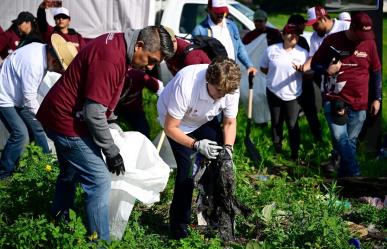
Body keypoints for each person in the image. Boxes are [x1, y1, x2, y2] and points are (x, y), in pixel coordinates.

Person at [36, 26, 174, 241]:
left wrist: (110, 123)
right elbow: (93, 113)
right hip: (66, 121)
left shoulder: (120, 44)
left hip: (63, 114)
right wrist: (111, 151)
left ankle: (59, 220)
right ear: (139, 45)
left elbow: (97, 102)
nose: (149, 67)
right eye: (151, 60)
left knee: (70, 173)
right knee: (99, 181)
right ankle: (101, 242)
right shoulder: (111, 58)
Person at [157, 58, 240, 239]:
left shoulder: (228, 88)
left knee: (220, 165)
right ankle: (179, 229)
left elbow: (230, 122)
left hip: (204, 119)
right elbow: (170, 128)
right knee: (187, 171)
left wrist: (228, 150)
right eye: (218, 90)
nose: (222, 96)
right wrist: (196, 145)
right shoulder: (187, 84)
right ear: (208, 80)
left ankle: (215, 219)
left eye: (226, 93)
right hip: (177, 123)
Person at [311, 12, 381, 177]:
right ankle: (356, 174)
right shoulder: (332, 40)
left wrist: (377, 98)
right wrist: (327, 70)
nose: (363, 38)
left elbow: (376, 70)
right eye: (360, 34)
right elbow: (315, 64)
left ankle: (345, 182)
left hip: (360, 101)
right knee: (340, 138)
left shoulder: (369, 44)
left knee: (349, 142)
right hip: (335, 99)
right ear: (351, 27)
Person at [0, 41, 64, 180]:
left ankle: (46, 165)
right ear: (54, 60)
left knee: (38, 127)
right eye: (58, 68)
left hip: (17, 96)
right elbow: (29, 97)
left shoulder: (40, 48)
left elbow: (35, 88)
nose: (57, 70)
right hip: (4, 97)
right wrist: (44, 116)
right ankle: (4, 174)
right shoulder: (35, 65)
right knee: (21, 134)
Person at [260, 24, 308, 160]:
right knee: (276, 121)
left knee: (292, 124)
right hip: (273, 91)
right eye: (290, 33)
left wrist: (302, 70)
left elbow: (309, 73)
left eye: (296, 34)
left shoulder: (302, 52)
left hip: (293, 94)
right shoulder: (271, 50)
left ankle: (294, 153)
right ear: (282, 35)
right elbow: (263, 68)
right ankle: (277, 148)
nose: (293, 36)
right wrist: (275, 76)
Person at [192, 0, 256, 75]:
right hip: (213, 75)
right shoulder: (200, 30)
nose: (221, 15)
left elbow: (239, 47)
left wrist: (249, 65)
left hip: (231, 72)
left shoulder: (231, 25)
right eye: (217, 12)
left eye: (223, 12)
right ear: (209, 10)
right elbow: (196, 58)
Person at [115, 68, 164, 138]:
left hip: (134, 108)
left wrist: (165, 107)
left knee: (143, 132)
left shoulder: (139, 75)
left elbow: (159, 87)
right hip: (112, 108)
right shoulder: (117, 73)